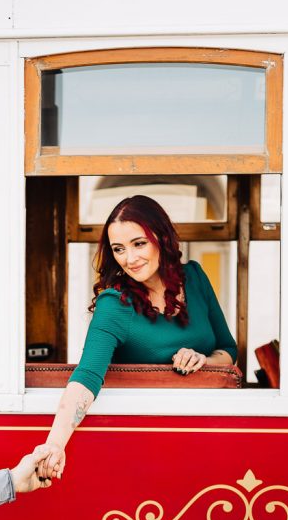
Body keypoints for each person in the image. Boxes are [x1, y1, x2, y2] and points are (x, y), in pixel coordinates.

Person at [37, 194, 238, 481]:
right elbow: (86, 377)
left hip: (207, 435)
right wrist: (54, 444)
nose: (129, 259)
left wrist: (204, 359)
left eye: (139, 244)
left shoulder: (194, 276)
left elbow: (228, 348)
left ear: (162, 237)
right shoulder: (113, 304)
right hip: (143, 443)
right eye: (118, 249)